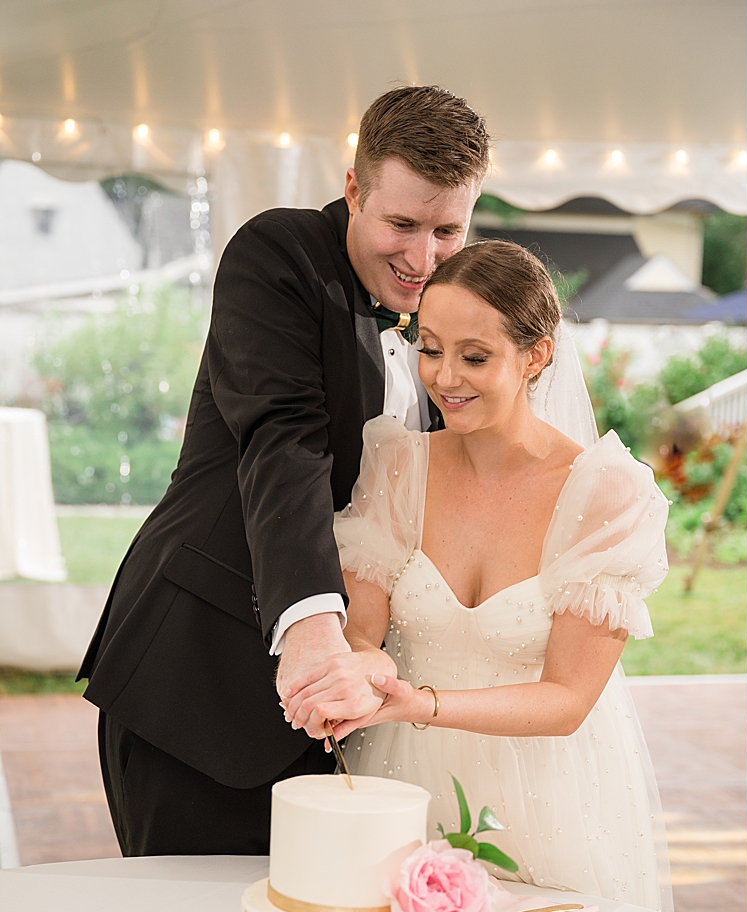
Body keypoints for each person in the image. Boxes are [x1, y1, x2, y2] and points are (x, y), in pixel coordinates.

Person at [79, 86, 490, 856]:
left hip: (351, 710)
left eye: (447, 230)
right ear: (353, 189)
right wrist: (310, 626)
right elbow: (284, 441)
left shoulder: (452, 314)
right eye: (400, 224)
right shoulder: (278, 255)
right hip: (204, 682)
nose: (423, 257)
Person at [278, 240, 673, 911]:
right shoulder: (399, 462)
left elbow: (568, 699)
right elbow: (366, 627)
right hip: (407, 774)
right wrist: (354, 672)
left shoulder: (607, 493)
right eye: (430, 348)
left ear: (536, 355)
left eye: (474, 355)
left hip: (546, 792)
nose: (445, 376)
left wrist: (421, 703)